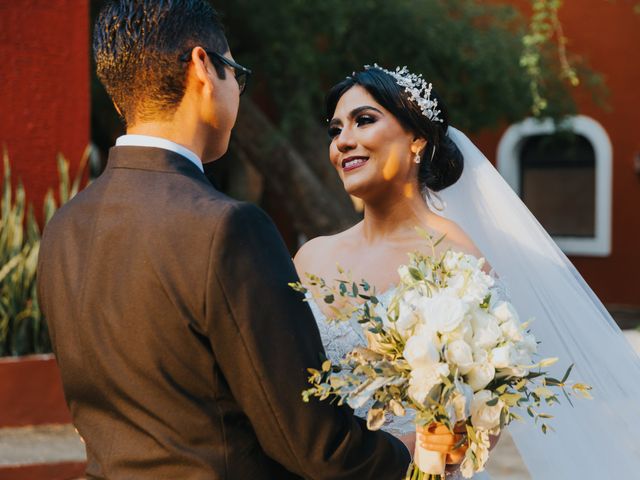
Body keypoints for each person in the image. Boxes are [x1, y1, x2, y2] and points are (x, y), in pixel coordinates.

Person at [36, 2, 412, 479]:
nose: (237, 88)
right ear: (203, 68)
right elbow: (312, 444)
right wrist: (411, 454)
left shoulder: (64, 228)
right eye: (236, 72)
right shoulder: (228, 229)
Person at [295, 64, 640, 479]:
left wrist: (431, 450)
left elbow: (482, 424)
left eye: (363, 121)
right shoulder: (310, 259)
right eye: (335, 130)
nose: (343, 142)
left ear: (417, 138)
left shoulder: (461, 264)